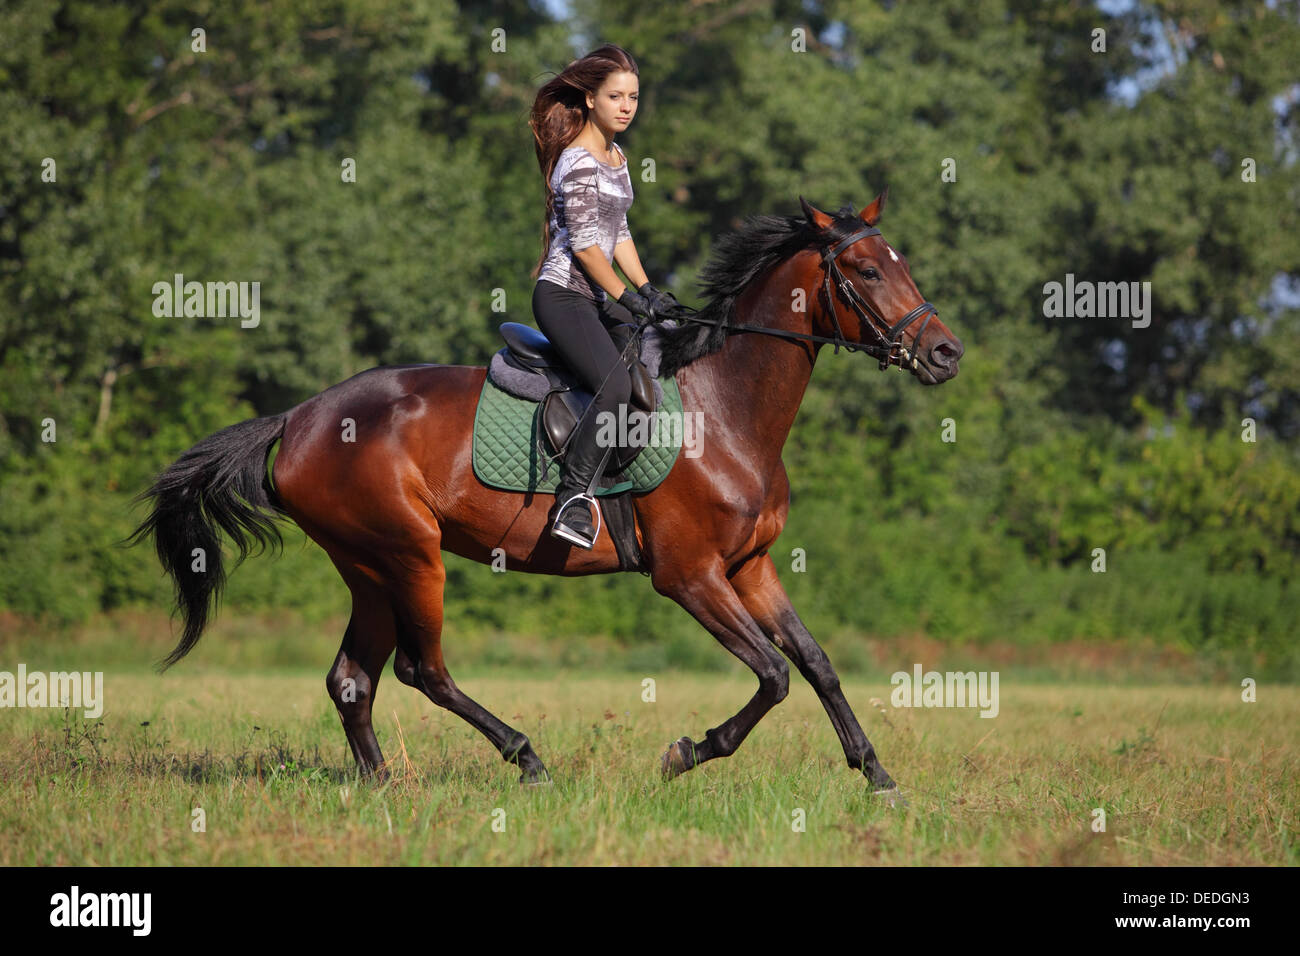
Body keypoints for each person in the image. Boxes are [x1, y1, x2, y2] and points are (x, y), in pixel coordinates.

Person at [528, 44, 678, 549]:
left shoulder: (617, 156)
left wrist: (647, 290)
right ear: (590, 99)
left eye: (633, 97)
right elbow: (590, 250)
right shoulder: (578, 161)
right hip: (564, 296)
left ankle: (623, 483)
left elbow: (620, 235)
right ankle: (572, 500)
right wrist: (625, 296)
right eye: (616, 96)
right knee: (613, 391)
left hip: (598, 294)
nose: (627, 106)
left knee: (656, 354)